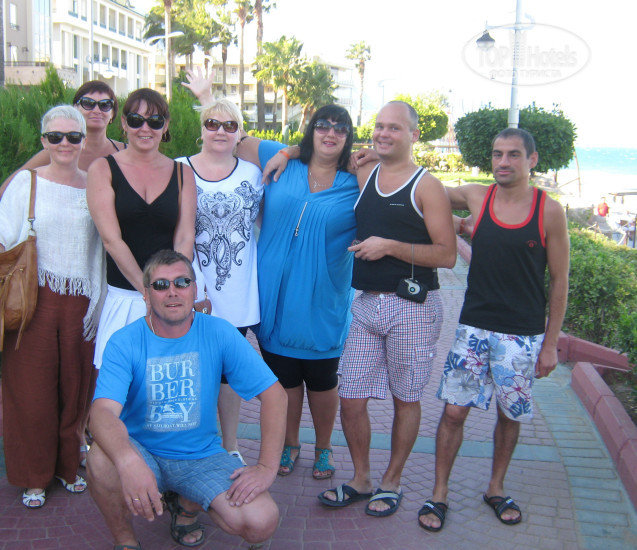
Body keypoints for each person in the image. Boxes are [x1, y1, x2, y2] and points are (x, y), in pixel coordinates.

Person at [183, 69, 358, 481]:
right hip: (272, 295)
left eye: (340, 128)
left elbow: (394, 188)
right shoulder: (280, 157)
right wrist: (207, 97)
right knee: (282, 376)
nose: (330, 133)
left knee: (322, 378)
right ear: (310, 131)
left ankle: (324, 447)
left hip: (323, 297)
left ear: (349, 137)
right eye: (323, 125)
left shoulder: (355, 179)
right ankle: (290, 444)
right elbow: (231, 135)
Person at [417, 128, 569, 532]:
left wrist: (550, 344)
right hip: (474, 328)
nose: (503, 162)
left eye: (514, 154)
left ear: (532, 160)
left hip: (521, 334)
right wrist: (378, 160)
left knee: (509, 413)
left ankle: (496, 488)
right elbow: (423, 189)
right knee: (453, 412)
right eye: (497, 154)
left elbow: (560, 280)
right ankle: (439, 492)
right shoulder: (477, 197)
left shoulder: (549, 211)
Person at [87, 250, 287, 548]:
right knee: (101, 459)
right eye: (160, 285)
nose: (172, 292)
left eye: (182, 282)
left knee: (261, 522)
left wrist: (266, 468)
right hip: (142, 450)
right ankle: (126, 541)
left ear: (195, 289)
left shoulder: (219, 332)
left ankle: (185, 507)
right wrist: (127, 461)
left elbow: (275, 396)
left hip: (199, 455)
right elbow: (102, 412)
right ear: (146, 295)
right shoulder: (124, 341)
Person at [316, 101, 456, 517]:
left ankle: (391, 481)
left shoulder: (427, 186)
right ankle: (361, 478)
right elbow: (325, 152)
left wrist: (390, 246)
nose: (383, 133)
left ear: (414, 135)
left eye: (394, 128)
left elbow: (447, 254)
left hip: (413, 308)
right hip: (367, 304)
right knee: (350, 397)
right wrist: (289, 152)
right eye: (379, 126)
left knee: (405, 399)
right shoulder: (365, 173)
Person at [0, 105, 105, 508]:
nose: (64, 144)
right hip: (31, 300)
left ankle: (68, 466)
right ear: (44, 140)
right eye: (55, 137)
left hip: (82, 303)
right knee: (31, 391)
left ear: (83, 140)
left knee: (76, 388)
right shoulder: (25, 183)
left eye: (73, 137)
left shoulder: (95, 185)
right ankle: (34, 476)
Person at [176, 97, 264, 465]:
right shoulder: (179, 169)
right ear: (201, 130)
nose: (220, 131)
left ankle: (230, 446)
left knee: (229, 375)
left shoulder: (254, 174)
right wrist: (191, 284)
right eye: (212, 123)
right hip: (190, 290)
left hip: (238, 292)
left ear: (240, 132)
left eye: (230, 125)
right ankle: (192, 445)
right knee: (193, 372)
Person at [87, 88, 196, 371]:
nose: (145, 128)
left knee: (168, 387)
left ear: (165, 126)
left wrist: (173, 288)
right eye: (136, 120)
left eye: (155, 121)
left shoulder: (183, 174)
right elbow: (112, 240)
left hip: (170, 298)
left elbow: (185, 237)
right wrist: (148, 292)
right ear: (123, 123)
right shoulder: (103, 169)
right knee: (119, 389)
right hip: (124, 297)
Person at [0, 81, 125, 200]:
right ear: (75, 108)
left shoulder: (125, 152)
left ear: (113, 113)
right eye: (88, 103)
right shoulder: (56, 152)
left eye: (105, 105)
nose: (96, 110)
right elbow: (5, 191)